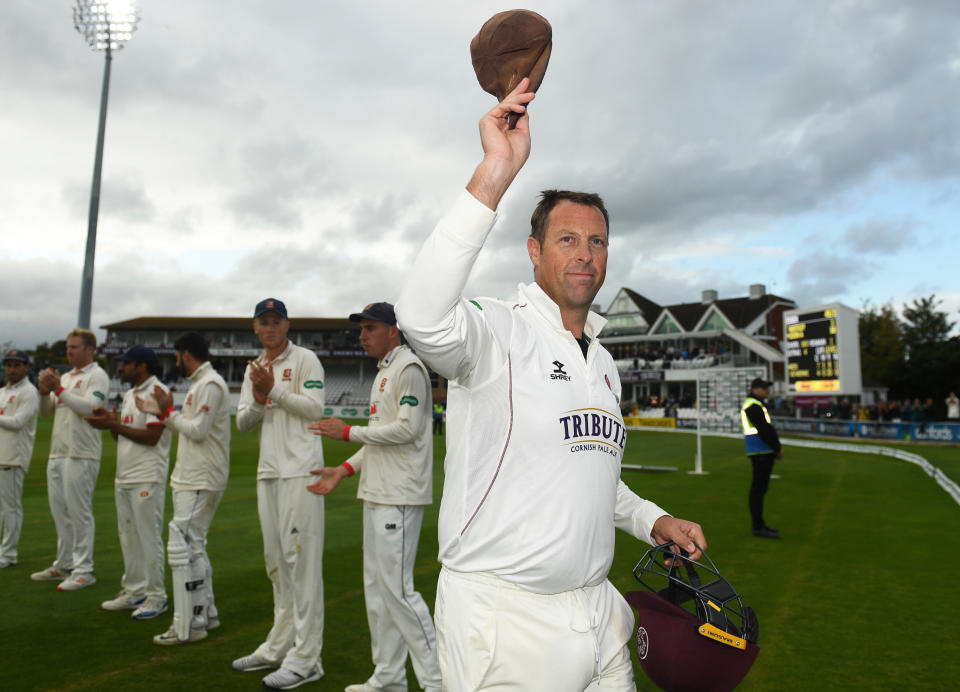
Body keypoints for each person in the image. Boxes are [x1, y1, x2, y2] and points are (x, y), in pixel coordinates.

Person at [394, 78, 707, 691]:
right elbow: (422, 318)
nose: (585, 254)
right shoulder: (496, 330)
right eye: (567, 239)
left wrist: (653, 520)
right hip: (504, 621)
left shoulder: (604, 361)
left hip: (599, 612)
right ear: (534, 251)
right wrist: (496, 170)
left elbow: (590, 473)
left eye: (597, 242)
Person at [308, 302, 442, 692]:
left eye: (369, 328)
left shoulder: (409, 369)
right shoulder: (384, 372)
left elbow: (407, 429)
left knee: (398, 591)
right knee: (378, 590)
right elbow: (378, 441)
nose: (362, 336)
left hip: (399, 495)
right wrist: (344, 470)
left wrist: (347, 432)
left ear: (392, 331)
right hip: (379, 492)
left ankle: (437, 683)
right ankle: (388, 677)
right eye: (361, 329)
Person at [233, 299, 326, 690]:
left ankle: (307, 658)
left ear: (286, 325)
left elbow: (315, 408)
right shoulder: (255, 367)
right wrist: (258, 396)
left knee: (301, 563)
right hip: (268, 472)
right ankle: (278, 644)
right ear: (256, 328)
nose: (270, 328)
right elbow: (243, 423)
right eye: (263, 322)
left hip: (301, 471)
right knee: (277, 564)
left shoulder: (305, 360)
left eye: (276, 321)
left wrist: (275, 391)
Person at [136, 332, 230, 646]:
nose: (175, 362)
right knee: (194, 546)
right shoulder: (200, 384)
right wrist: (160, 411)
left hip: (201, 477)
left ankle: (187, 626)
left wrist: (165, 413)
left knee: (182, 546)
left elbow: (197, 431)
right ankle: (206, 614)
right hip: (193, 476)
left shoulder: (210, 384)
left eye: (176, 357)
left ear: (185, 355)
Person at [85, 345, 171, 619]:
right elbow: (125, 435)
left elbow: (151, 437)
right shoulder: (130, 394)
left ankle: (157, 597)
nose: (121, 368)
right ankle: (135, 590)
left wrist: (113, 425)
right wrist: (112, 423)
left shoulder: (158, 393)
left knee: (148, 537)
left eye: (126, 363)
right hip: (125, 474)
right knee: (128, 537)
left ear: (142, 366)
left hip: (147, 474)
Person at [31, 328, 109, 590]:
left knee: (79, 513)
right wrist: (44, 393)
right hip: (58, 452)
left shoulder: (97, 376)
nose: (69, 351)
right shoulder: (65, 376)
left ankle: (84, 570)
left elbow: (90, 408)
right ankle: (64, 564)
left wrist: (60, 389)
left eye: (74, 347)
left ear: (90, 349)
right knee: (60, 513)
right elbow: (46, 413)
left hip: (82, 454)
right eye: (67, 347)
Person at [0, 349, 40, 568]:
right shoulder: (3, 392)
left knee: (11, 508)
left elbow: (18, 422)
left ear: (26, 367)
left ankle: (9, 554)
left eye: (17, 365)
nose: (12, 369)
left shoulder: (29, 392)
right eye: (9, 365)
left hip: (13, 457)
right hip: (1, 455)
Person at [741, 378, 782, 539]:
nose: (767, 391)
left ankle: (759, 525)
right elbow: (765, 429)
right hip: (760, 451)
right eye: (764, 388)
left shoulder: (754, 403)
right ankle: (758, 527)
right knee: (758, 490)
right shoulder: (753, 404)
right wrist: (777, 447)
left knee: (759, 489)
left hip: (759, 450)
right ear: (755, 389)